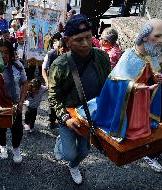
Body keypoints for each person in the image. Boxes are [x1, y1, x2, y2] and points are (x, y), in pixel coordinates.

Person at [90, 19, 162, 172]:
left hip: (142, 98)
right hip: (129, 99)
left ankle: (140, 131)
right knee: (131, 122)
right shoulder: (128, 57)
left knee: (140, 125)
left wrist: (158, 77)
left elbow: (153, 72)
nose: (161, 41)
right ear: (145, 36)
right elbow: (114, 83)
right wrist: (135, 86)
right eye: (157, 36)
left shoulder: (150, 54)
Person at [48, 14, 111, 184]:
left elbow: (108, 85)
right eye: (79, 39)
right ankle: (63, 144)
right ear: (67, 41)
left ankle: (73, 165)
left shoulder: (102, 57)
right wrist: (65, 118)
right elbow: (53, 96)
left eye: (88, 37)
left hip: (90, 115)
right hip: (69, 115)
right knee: (68, 153)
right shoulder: (60, 65)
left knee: (83, 152)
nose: (85, 43)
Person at [0, 38, 28, 163]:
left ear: (11, 53)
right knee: (1, 127)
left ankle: (16, 148)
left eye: (6, 52)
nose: (3, 55)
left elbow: (25, 83)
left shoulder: (17, 66)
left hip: (15, 104)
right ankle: (3, 146)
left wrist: (21, 102)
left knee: (17, 128)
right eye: (0, 52)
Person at [42, 38, 68, 129]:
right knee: (52, 101)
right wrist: (47, 82)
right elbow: (44, 69)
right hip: (52, 81)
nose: (65, 52)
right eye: (63, 50)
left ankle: (62, 118)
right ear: (59, 47)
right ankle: (51, 121)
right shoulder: (50, 54)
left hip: (64, 81)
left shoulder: (69, 54)